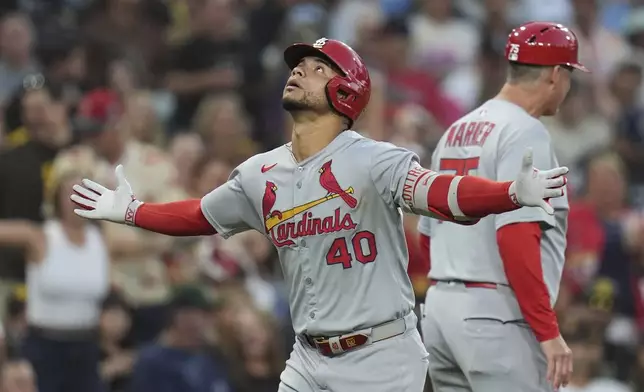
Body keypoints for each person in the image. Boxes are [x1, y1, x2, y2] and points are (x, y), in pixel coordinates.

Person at [70, 37, 569, 392]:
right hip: (307, 358)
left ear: (346, 90)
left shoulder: (374, 160)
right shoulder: (260, 172)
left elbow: (442, 192)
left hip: (382, 357)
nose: (300, 70)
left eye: (317, 67)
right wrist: (132, 211)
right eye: (299, 65)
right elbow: (200, 214)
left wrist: (508, 192)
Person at [417, 21, 588, 391]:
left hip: (439, 310)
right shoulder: (526, 131)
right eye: (570, 75)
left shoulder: (454, 131)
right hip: (496, 317)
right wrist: (547, 331)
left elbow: (427, 237)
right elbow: (516, 236)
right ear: (556, 75)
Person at [0, 158, 110, 392]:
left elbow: (154, 239)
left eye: (83, 193)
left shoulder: (103, 241)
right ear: (57, 199)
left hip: (86, 348)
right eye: (69, 193)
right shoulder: (39, 237)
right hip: (44, 348)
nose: (75, 200)